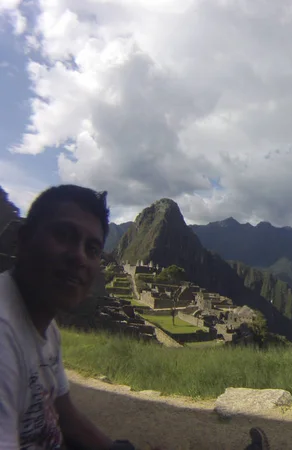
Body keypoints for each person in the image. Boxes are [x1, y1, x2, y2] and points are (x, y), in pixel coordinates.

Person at [0, 184, 269, 450]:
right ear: (23, 239)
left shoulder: (44, 327)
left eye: (92, 248)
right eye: (63, 235)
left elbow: (65, 413)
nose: (78, 257)